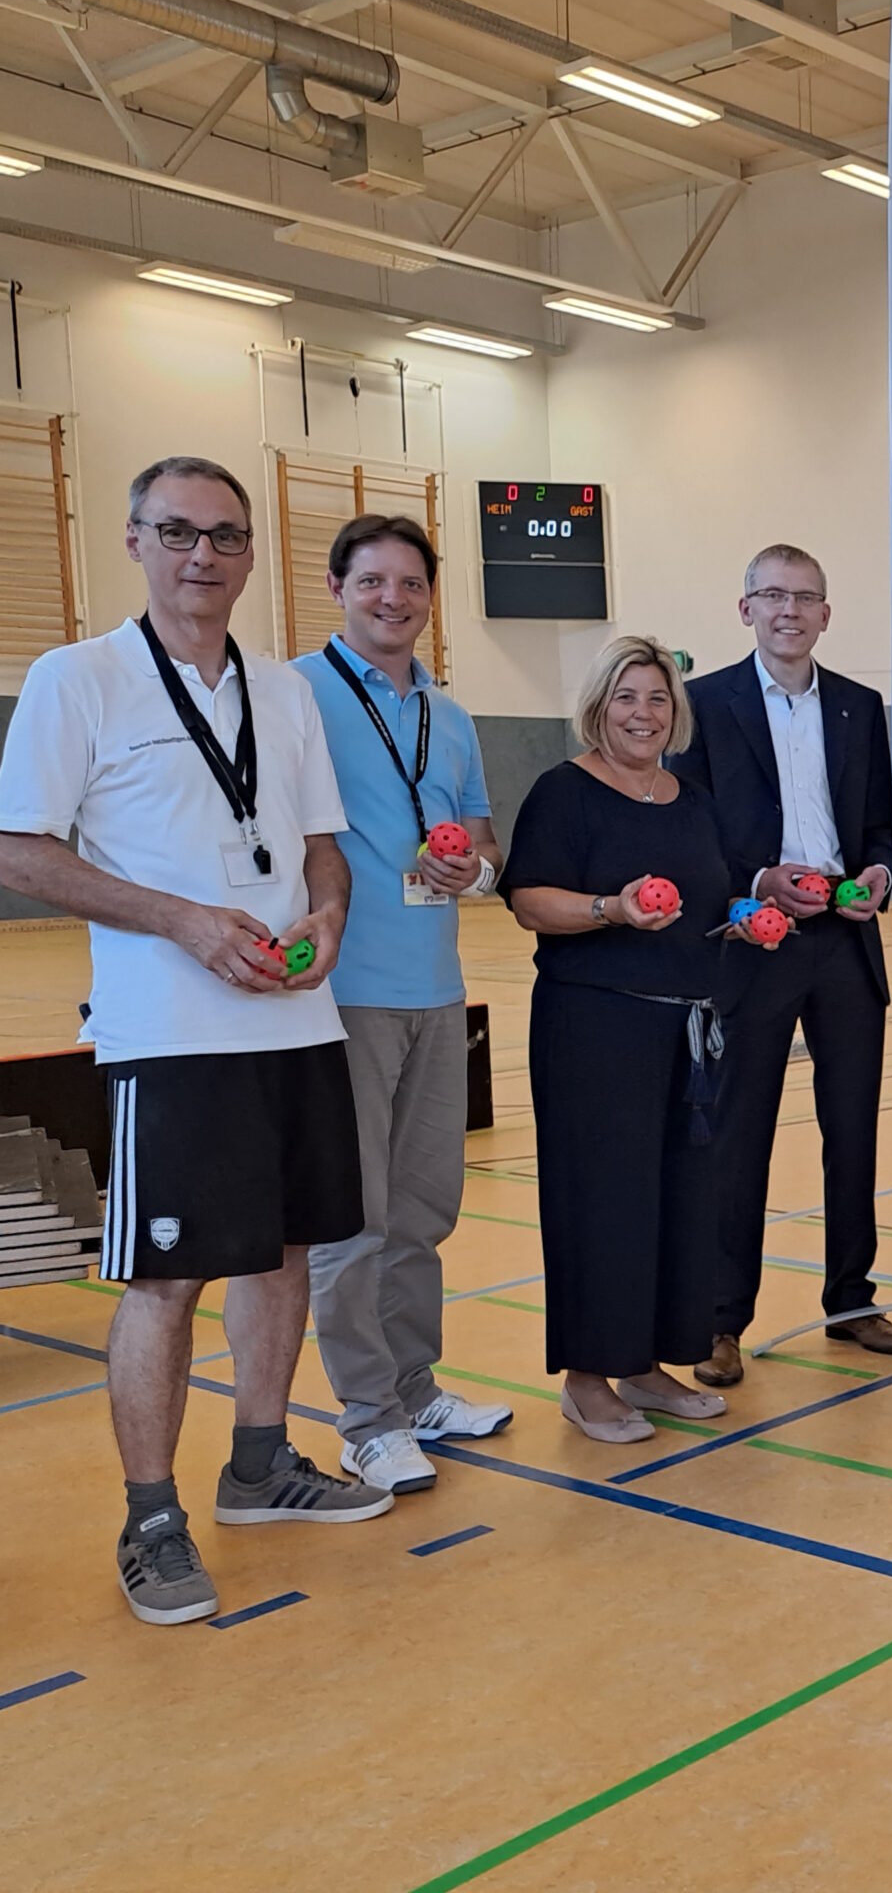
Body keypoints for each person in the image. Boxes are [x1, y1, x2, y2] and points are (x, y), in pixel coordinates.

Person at [0, 456, 390, 1628]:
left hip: (296, 1021)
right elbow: (20, 850)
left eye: (225, 536)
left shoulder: (284, 691)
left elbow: (321, 847)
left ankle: (260, 1465)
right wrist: (182, 920)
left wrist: (328, 920)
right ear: (134, 540)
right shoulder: (77, 679)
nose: (202, 555)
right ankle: (151, 1517)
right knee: (167, 1278)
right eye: (178, 532)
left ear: (252, 554)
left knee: (285, 1251)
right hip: (170, 1036)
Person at [292, 516, 514, 1492]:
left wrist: (472, 871)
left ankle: (415, 1389)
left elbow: (483, 842)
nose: (394, 598)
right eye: (373, 581)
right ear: (338, 587)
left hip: (437, 989)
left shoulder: (449, 716)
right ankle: (367, 1418)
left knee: (423, 1212)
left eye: (411, 583)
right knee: (355, 1220)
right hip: (342, 995)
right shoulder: (294, 694)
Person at [668, 544, 892, 1386]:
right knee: (738, 1137)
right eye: (772, 595)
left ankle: (851, 1298)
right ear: (746, 609)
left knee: (854, 1131)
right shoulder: (701, 705)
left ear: (826, 613)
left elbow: (880, 824)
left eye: (805, 598)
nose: (789, 611)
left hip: (844, 942)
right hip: (753, 942)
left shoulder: (861, 707)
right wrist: (759, 881)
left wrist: (880, 872)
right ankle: (721, 1319)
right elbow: (691, 831)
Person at [501, 636, 735, 1443]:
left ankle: (645, 1364)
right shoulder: (563, 793)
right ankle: (587, 1379)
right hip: (594, 1031)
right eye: (627, 697)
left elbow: (714, 897)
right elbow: (529, 901)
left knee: (677, 1199)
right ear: (598, 707)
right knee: (601, 1201)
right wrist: (610, 909)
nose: (643, 713)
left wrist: (748, 919)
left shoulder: (693, 799)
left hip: (685, 1030)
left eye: (658, 698)